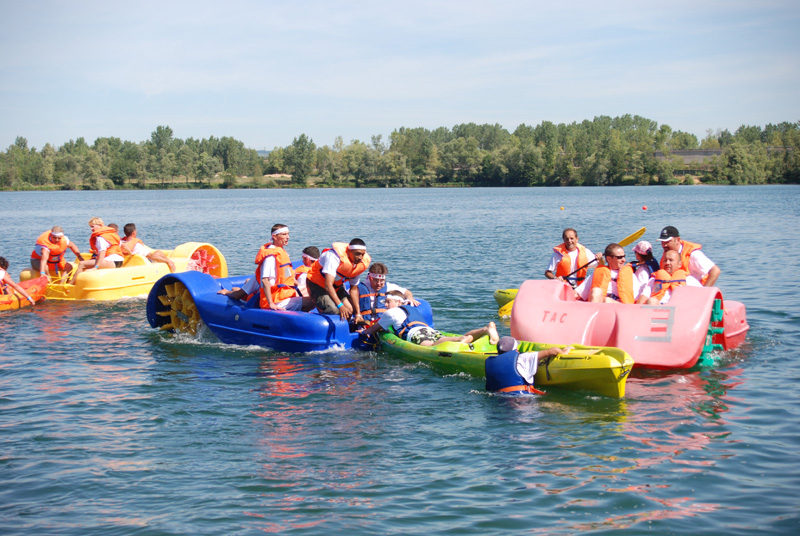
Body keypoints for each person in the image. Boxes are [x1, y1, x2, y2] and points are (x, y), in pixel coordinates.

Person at [218, 224, 312, 311]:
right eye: (284, 234)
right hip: (276, 300)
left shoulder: (281, 253)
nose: (288, 237)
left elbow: (288, 277)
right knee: (312, 302)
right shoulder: (270, 257)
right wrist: (271, 304)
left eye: (288, 234)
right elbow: (265, 280)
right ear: (274, 236)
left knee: (306, 293)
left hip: (283, 295)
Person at [358, 290, 499, 347]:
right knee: (439, 339)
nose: (386, 305)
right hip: (428, 330)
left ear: (398, 302)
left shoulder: (391, 313)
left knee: (432, 345)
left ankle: (459, 339)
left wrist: (363, 332)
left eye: (388, 302)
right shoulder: (411, 309)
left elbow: (374, 329)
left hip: (415, 334)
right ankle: (484, 329)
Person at [306, 238, 371, 319]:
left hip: (336, 286)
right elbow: (328, 285)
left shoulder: (359, 264)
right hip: (317, 285)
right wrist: (340, 305)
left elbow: (353, 290)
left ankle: (346, 325)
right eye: (357, 254)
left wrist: (358, 313)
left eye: (362, 254)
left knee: (350, 310)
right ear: (349, 251)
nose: (360, 257)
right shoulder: (333, 257)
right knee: (335, 311)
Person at [485, 336, 571, 394]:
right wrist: (564, 351)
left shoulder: (490, 363)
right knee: (557, 407)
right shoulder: (522, 358)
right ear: (515, 349)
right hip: (522, 399)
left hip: (499, 399)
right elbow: (553, 351)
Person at [351, 262, 420, 325]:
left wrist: (410, 298)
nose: (379, 284)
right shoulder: (359, 288)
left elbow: (407, 292)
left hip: (383, 324)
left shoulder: (390, 287)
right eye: (376, 280)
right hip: (364, 323)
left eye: (382, 281)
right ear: (370, 278)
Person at [70, 217, 123, 284]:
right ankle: (82, 283)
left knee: (82, 264)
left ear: (99, 225)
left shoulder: (101, 237)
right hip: (119, 261)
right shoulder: (112, 234)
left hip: (111, 261)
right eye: (90, 227)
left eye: (92, 226)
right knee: (87, 265)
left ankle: (71, 284)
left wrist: (96, 266)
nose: (91, 229)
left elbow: (102, 252)